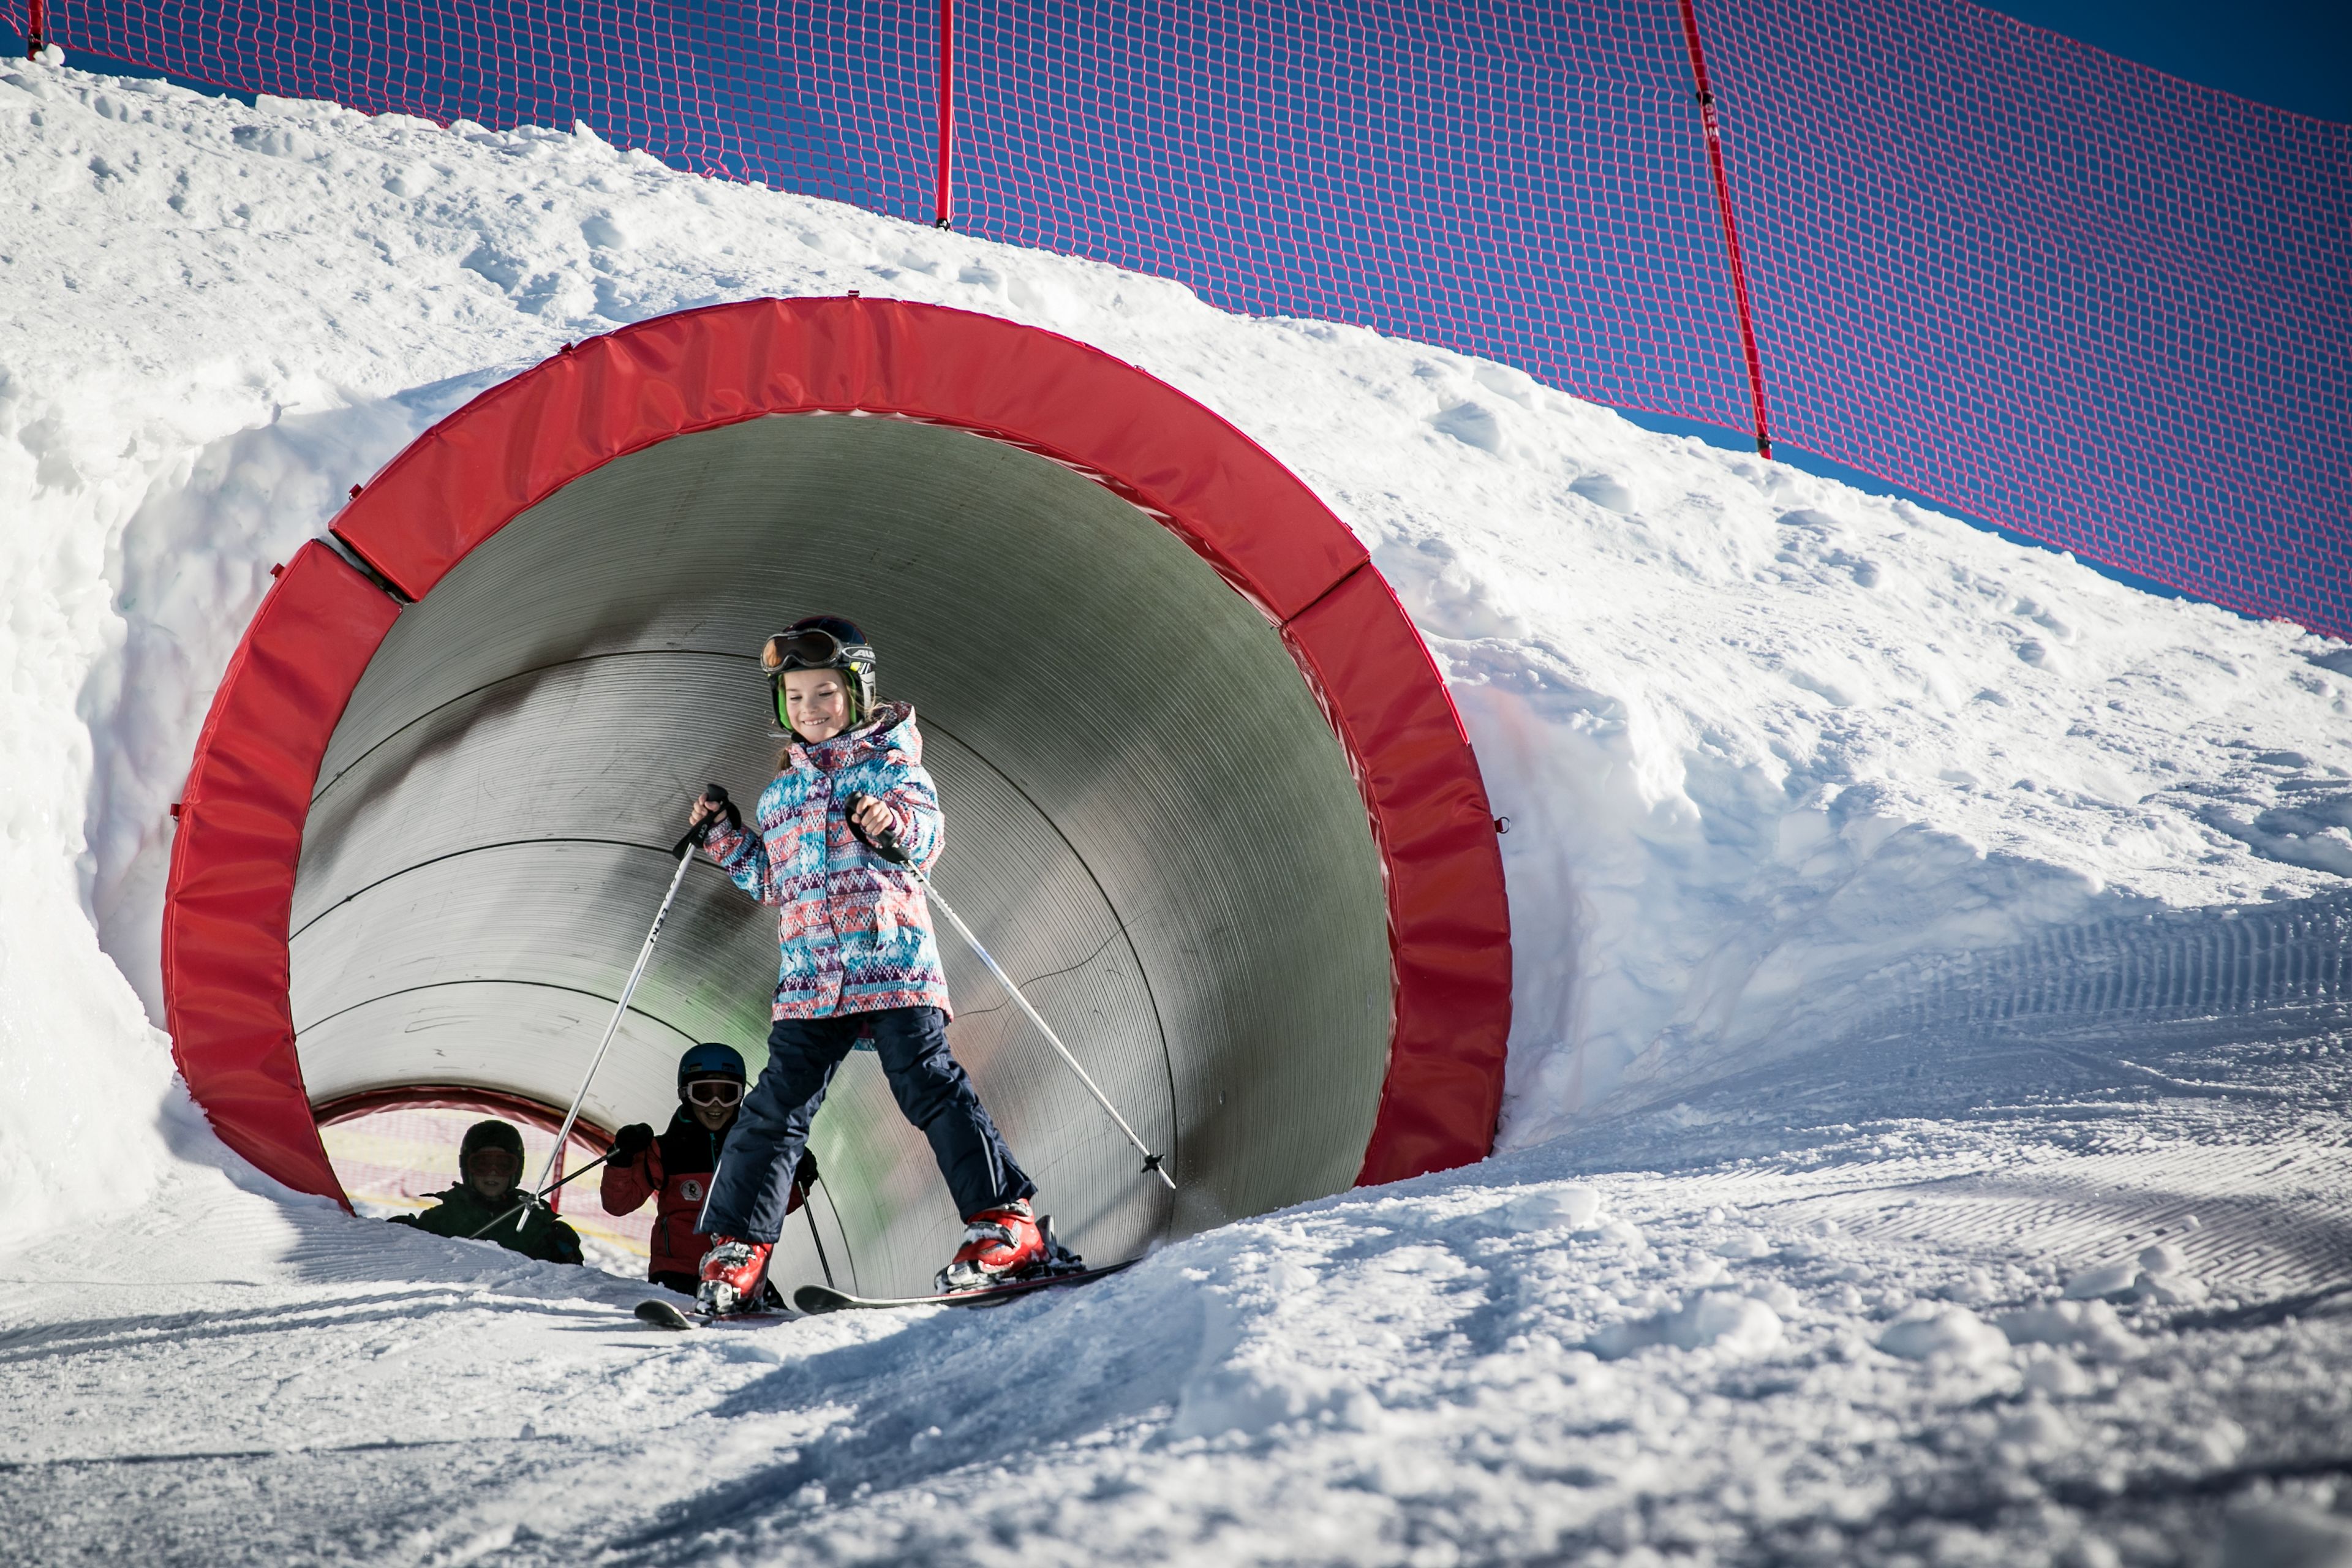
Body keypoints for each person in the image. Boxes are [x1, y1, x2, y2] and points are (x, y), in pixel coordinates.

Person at [687, 614, 1041, 1314]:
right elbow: (772, 883)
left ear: (856, 690)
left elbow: (925, 839)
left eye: (824, 694)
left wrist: (889, 824)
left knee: (926, 1084)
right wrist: (727, 838)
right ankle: (740, 1249)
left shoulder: (894, 769)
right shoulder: (781, 794)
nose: (809, 711)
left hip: (891, 964)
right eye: (794, 698)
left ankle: (1005, 1221)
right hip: (811, 982)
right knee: (775, 1107)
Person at [600, 1041, 816, 1297]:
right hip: (676, 1274)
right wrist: (622, 1160)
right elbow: (618, 1204)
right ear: (685, 1094)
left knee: (766, 1306)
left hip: (737, 1272)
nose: (715, 1105)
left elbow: (771, 1208)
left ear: (740, 1097)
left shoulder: (755, 1150)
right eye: (704, 1094)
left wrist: (798, 1178)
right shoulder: (666, 1149)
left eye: (726, 1094)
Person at [389, 1118, 583, 1265]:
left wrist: (564, 1250)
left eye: (503, 1165)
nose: (492, 1173)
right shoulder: (442, 1219)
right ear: (467, 1167)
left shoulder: (537, 1224)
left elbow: (568, 1281)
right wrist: (395, 1233)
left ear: (516, 1169)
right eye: (482, 1164)